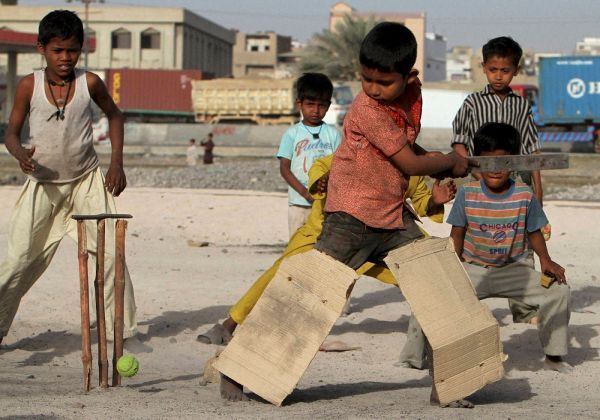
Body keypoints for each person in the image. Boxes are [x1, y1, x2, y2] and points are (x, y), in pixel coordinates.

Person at [197, 154, 456, 348]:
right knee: (278, 275)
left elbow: (422, 203)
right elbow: (321, 166)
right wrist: (321, 181)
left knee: (418, 277)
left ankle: (438, 339)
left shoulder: (409, 169)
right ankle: (229, 325)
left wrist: (435, 199)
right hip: (323, 236)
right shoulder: (352, 156)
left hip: (376, 246)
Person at [0, 10, 137, 347]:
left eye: (72, 50)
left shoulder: (89, 82)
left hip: (86, 183)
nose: (65, 58)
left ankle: (115, 332)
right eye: (57, 50)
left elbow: (115, 116)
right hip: (42, 187)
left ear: (81, 50)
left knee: (109, 258)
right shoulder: (28, 85)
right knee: (19, 261)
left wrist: (116, 163)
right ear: (41, 49)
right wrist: (21, 156)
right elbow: (11, 135)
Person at [403, 123, 571, 391]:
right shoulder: (468, 194)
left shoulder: (524, 195)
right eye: (487, 159)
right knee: (430, 294)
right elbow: (457, 234)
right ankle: (412, 358)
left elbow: (534, 231)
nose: (495, 167)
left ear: (514, 162)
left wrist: (546, 261)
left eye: (502, 159)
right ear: (477, 162)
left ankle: (554, 356)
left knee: (558, 292)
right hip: (472, 269)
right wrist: (452, 268)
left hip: (513, 271)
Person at [451, 36, 544, 324]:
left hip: (515, 186)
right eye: (493, 70)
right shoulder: (472, 103)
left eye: (505, 70)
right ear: (483, 68)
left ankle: (525, 308)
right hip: (480, 186)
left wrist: (538, 192)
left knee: (521, 244)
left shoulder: (521, 106)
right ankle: (469, 299)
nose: (499, 76)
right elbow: (459, 142)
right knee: (476, 239)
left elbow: (531, 151)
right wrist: (478, 173)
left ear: (515, 70)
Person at [277, 73, 341, 237]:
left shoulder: (333, 135)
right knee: (297, 247)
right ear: (300, 104)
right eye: (310, 104)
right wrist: (305, 193)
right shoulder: (292, 134)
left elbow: (339, 165)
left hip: (326, 205)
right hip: (299, 204)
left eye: (321, 105)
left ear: (328, 105)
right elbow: (285, 169)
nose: (316, 110)